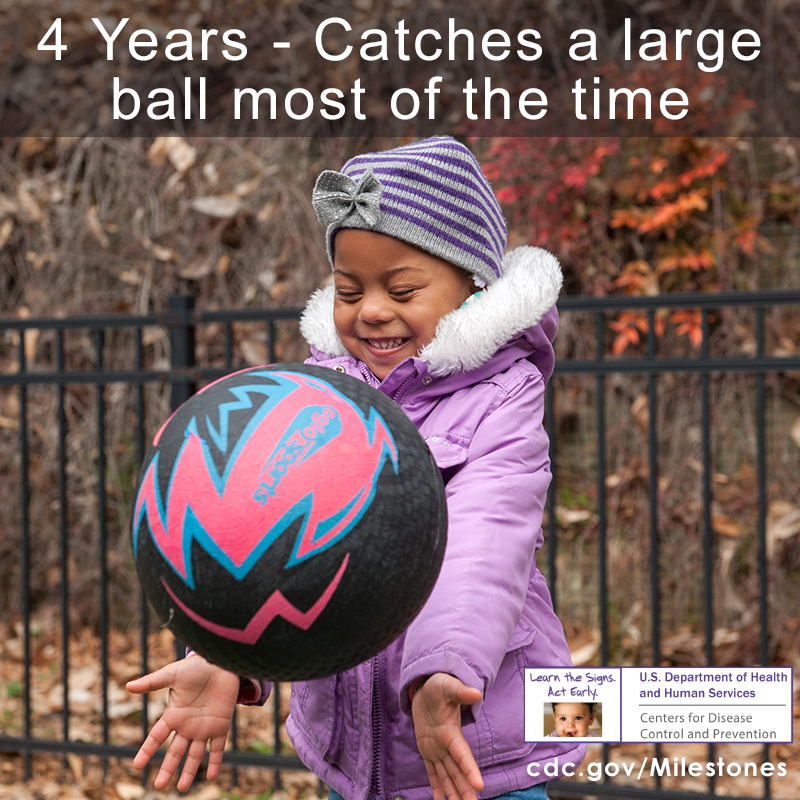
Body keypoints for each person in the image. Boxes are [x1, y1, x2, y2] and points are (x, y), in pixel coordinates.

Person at [127, 137, 584, 800]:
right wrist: (225, 655)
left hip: (471, 735)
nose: (370, 309)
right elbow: (258, 539)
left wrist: (443, 671)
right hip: (351, 751)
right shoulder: (320, 395)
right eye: (349, 289)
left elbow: (487, 535)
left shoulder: (502, 396)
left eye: (401, 288)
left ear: (473, 287)